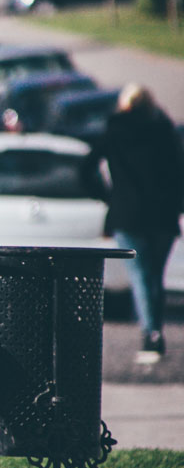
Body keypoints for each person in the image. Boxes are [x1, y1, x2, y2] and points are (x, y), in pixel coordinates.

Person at [82, 83, 184, 364]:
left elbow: (86, 168)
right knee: (154, 278)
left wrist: (107, 196)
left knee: (141, 275)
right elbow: (179, 171)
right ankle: (154, 331)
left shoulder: (115, 131)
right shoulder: (164, 130)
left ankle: (151, 335)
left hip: (128, 214)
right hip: (162, 216)